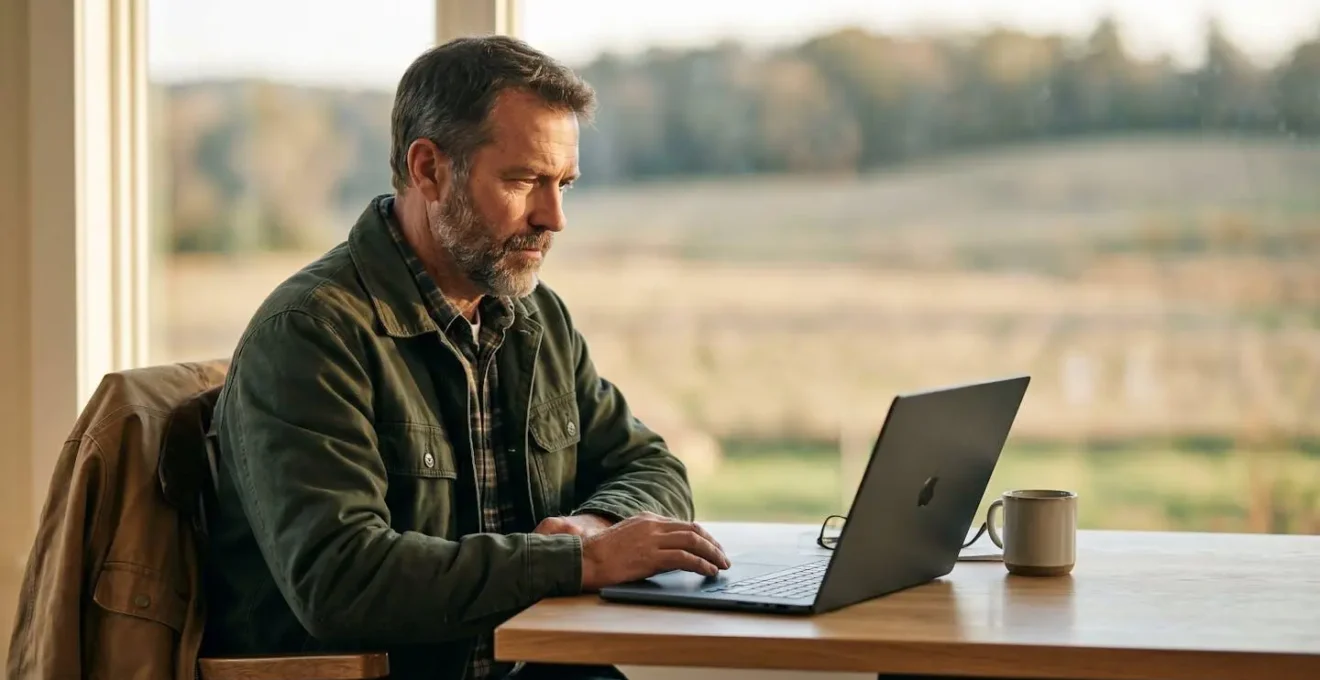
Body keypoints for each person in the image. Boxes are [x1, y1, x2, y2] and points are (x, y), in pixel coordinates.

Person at [202, 35, 731, 680]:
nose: (554, 217)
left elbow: (651, 466)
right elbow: (341, 581)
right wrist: (579, 563)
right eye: (525, 180)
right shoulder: (311, 335)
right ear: (428, 170)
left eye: (563, 183)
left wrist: (594, 526)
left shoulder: (536, 318)